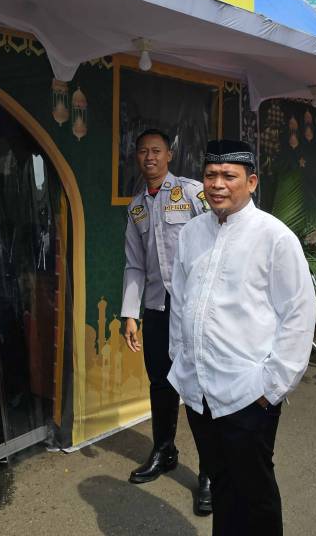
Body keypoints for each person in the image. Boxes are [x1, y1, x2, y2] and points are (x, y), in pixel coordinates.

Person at [167, 139, 316, 535]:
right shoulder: (192, 233)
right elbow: (179, 299)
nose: (217, 184)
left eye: (228, 176)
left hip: (248, 394)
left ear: (251, 182)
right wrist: (180, 360)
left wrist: (271, 387)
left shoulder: (274, 237)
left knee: (255, 494)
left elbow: (299, 314)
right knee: (221, 484)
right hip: (199, 391)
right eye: (210, 175)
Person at [120, 128, 212, 514]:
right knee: (160, 382)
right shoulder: (137, 207)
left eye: (156, 150)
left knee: (199, 386)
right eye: (143, 151)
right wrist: (130, 314)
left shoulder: (192, 193)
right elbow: (134, 264)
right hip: (157, 308)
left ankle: (210, 471)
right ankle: (164, 451)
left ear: (169, 155)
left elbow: (219, 237)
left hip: (193, 308)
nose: (150, 157)